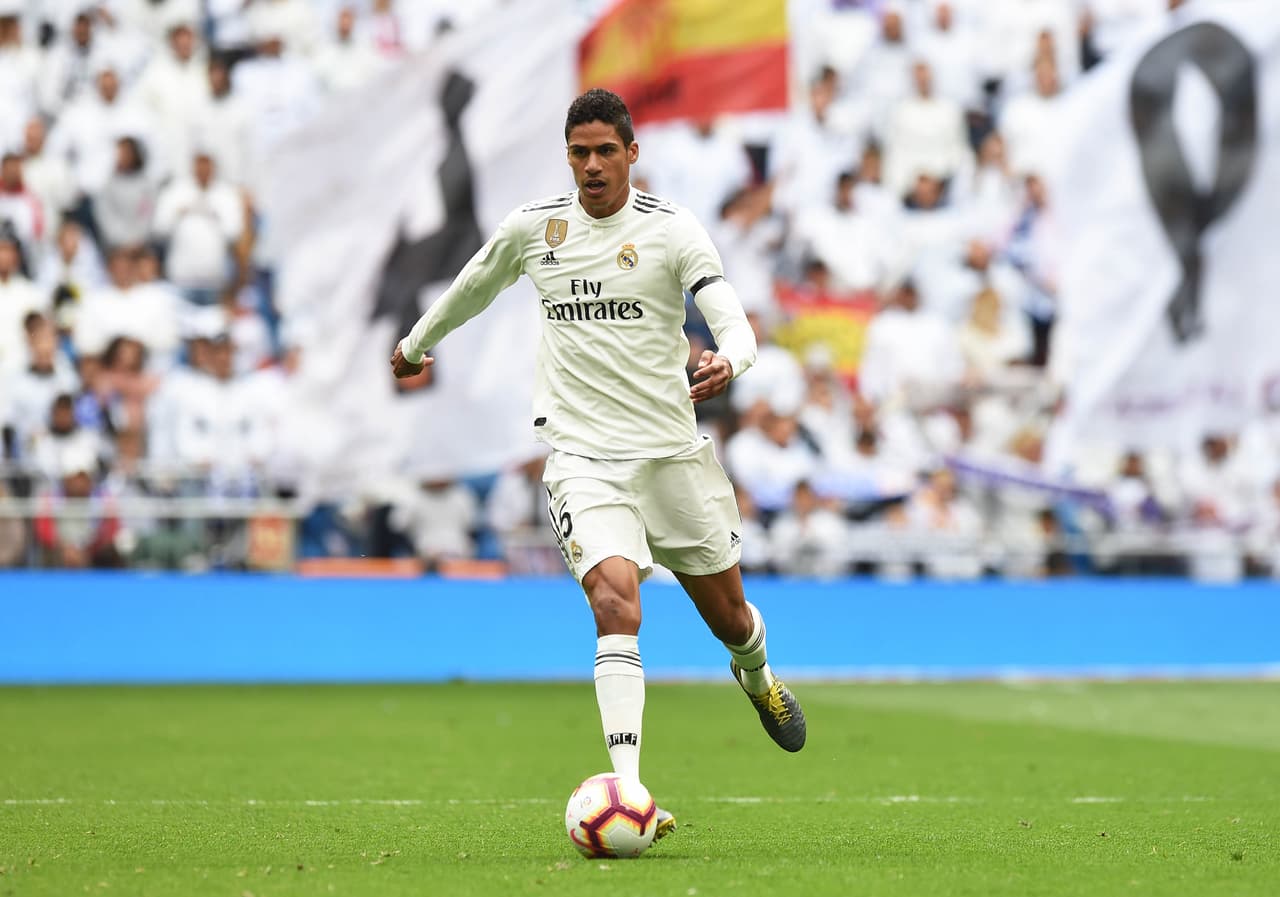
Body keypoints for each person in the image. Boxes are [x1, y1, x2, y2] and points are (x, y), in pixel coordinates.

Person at [390, 88, 807, 841]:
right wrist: (417, 344)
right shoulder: (536, 228)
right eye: (578, 151)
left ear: (631, 154)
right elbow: (475, 284)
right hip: (583, 457)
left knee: (731, 619)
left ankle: (759, 677)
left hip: (670, 456)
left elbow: (733, 321)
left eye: (604, 151)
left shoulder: (673, 230)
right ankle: (632, 788)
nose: (590, 165)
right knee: (616, 606)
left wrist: (731, 363)